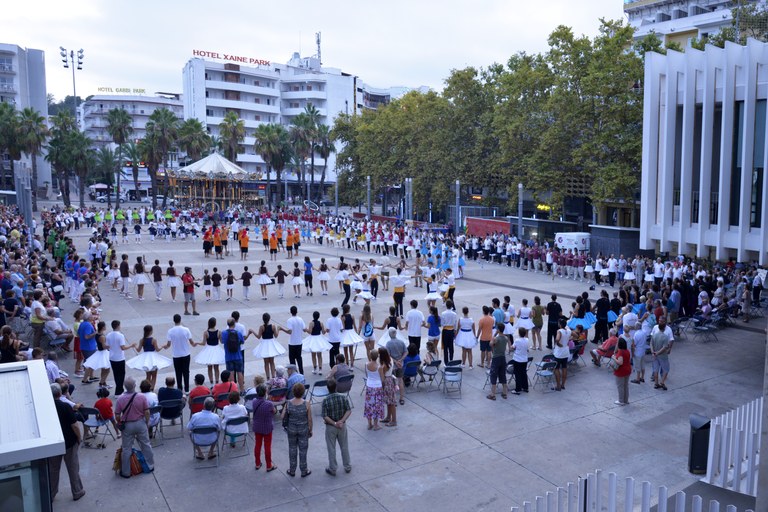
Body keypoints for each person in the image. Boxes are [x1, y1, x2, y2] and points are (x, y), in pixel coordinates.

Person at [48, 383, 85, 501]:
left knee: (53, 469)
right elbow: (75, 426)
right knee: (73, 467)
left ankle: (51, 493)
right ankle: (77, 491)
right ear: (60, 393)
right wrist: (79, 438)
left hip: (53, 442)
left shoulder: (46, 407)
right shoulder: (65, 407)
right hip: (69, 442)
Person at [115, 377, 155, 478]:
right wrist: (147, 422)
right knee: (146, 444)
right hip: (140, 423)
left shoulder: (120, 398)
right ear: (134, 386)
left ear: (125, 386)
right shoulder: (141, 397)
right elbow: (146, 411)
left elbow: (117, 415)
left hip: (127, 425)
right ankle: (150, 465)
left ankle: (126, 472)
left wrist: (120, 423)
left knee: (126, 448)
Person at [322, 377, 352, 476]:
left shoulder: (326, 400)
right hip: (342, 425)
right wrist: (341, 421)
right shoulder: (343, 397)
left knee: (331, 447)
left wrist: (334, 423)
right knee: (344, 446)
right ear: (336, 387)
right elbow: (348, 410)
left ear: (327, 388)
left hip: (331, 427)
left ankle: (333, 468)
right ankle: (347, 466)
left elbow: (325, 416)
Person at [282, 382, 312, 477]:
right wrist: (310, 430)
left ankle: (292, 470)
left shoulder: (288, 403)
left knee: (292, 449)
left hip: (291, 429)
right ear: (303, 392)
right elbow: (310, 419)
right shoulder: (307, 404)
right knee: (303, 450)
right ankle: (304, 470)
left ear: (293, 392)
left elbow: (282, 416)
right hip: (303, 429)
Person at [165, 314, 195, 393]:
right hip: (186, 354)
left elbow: (168, 344)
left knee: (178, 372)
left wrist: (164, 347)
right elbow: (191, 342)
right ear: (180, 320)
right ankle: (187, 389)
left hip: (176, 355)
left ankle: (179, 389)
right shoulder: (186, 329)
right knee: (186, 372)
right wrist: (195, 344)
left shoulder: (170, 331)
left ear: (173, 320)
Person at [251, 384, 277, 471]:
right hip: (267, 427)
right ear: (265, 392)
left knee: (257, 445)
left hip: (257, 427)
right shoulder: (269, 404)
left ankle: (257, 463)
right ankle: (269, 465)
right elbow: (274, 412)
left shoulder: (254, 401)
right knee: (267, 446)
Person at [195, 317, 224, 384]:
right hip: (216, 349)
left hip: (208, 350)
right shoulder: (219, 332)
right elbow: (222, 341)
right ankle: (217, 382)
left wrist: (197, 343)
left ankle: (211, 383)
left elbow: (203, 343)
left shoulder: (206, 332)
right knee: (216, 367)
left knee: (209, 367)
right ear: (215, 323)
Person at [105, 320, 130, 395]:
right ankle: (119, 391)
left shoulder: (108, 335)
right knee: (121, 374)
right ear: (118, 326)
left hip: (112, 357)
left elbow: (107, 347)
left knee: (116, 374)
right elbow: (123, 347)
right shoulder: (120, 335)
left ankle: (119, 389)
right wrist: (131, 346)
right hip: (119, 358)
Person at [303, 310, 331, 375]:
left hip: (313, 339)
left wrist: (305, 329)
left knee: (313, 355)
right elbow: (323, 332)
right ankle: (320, 369)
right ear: (319, 316)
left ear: (313, 316)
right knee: (319, 355)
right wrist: (326, 330)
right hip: (319, 338)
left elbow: (310, 332)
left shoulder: (311, 323)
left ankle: (315, 368)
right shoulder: (321, 323)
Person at [650, 316, 674, 390]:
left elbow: (651, 342)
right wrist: (656, 353)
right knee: (666, 369)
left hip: (655, 355)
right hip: (662, 356)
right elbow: (665, 347)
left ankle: (656, 383)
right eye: (659, 320)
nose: (660, 322)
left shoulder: (656, 334)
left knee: (656, 370)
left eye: (661, 321)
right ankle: (662, 382)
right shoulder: (665, 336)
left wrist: (653, 352)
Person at [487, 323, 510, 400]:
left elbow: (490, 344)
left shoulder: (496, 339)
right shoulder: (506, 338)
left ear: (498, 329)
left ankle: (493, 394)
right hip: (503, 358)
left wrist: (493, 336)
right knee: (502, 374)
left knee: (493, 374)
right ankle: (504, 392)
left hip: (496, 358)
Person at [364, 348, 385, 431]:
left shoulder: (366, 364)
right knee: (377, 405)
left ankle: (369, 424)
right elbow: (382, 379)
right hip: (377, 386)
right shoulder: (379, 367)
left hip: (369, 385)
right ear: (377, 357)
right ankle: (376, 424)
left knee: (369, 405)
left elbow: (367, 374)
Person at [385, 327, 407, 406]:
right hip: (401, 365)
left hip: (393, 366)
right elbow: (406, 352)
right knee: (400, 381)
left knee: (393, 383)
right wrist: (400, 360)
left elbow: (388, 355)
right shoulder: (401, 342)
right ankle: (401, 398)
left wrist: (395, 361)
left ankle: (393, 399)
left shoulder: (388, 344)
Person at [222, 318, 245, 390]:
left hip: (229, 357)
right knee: (239, 372)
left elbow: (222, 341)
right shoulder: (238, 333)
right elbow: (242, 342)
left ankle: (233, 389)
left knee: (231, 373)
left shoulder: (224, 333)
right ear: (234, 324)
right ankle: (241, 389)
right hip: (238, 356)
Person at [283, 306, 307, 375]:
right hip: (299, 342)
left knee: (292, 360)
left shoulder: (290, 320)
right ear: (297, 311)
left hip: (292, 343)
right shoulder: (300, 319)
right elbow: (304, 329)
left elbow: (290, 331)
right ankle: (301, 372)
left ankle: (294, 374)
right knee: (299, 358)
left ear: (290, 312)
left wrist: (282, 329)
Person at [611, 337, 632, 405]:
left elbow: (620, 362)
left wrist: (614, 358)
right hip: (627, 370)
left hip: (621, 371)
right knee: (626, 386)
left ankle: (621, 400)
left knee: (620, 386)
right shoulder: (627, 351)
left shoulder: (620, 352)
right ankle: (626, 400)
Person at [552, 318, 571, 391]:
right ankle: (563, 384)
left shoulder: (559, 331)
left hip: (559, 352)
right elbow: (576, 335)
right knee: (564, 368)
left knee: (556, 368)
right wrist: (568, 340)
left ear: (560, 324)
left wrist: (558, 343)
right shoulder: (568, 331)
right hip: (566, 351)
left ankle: (558, 385)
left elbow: (557, 339)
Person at [510, 327, 530, 394]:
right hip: (524, 359)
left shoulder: (517, 340)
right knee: (524, 373)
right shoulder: (527, 340)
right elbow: (527, 349)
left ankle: (518, 388)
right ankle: (525, 387)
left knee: (517, 374)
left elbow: (513, 347)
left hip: (517, 359)